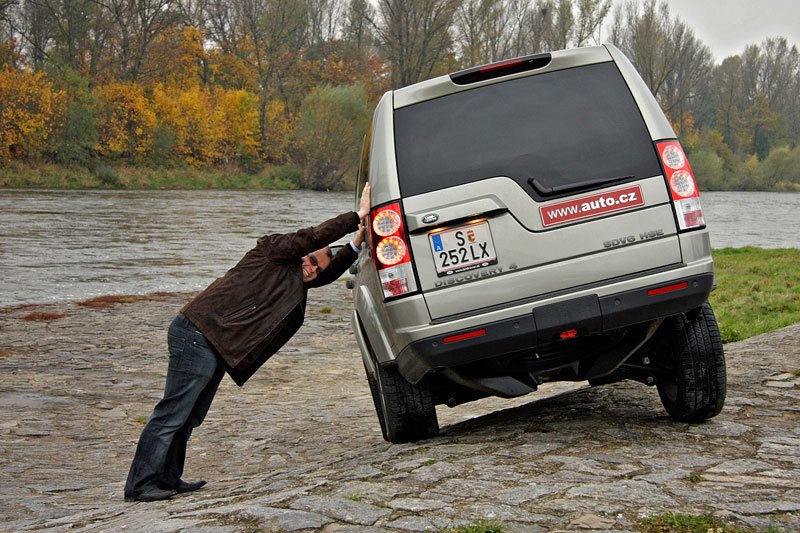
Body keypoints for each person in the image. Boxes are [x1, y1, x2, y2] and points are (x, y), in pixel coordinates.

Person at [124, 184, 371, 502]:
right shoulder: (273, 251)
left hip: (212, 342)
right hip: (197, 333)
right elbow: (311, 238)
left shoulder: (296, 280)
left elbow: (325, 271)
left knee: (190, 415)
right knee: (172, 412)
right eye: (310, 260)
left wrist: (356, 242)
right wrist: (356, 216)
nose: (312, 268)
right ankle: (140, 484)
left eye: (318, 266)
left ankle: (168, 478)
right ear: (300, 254)